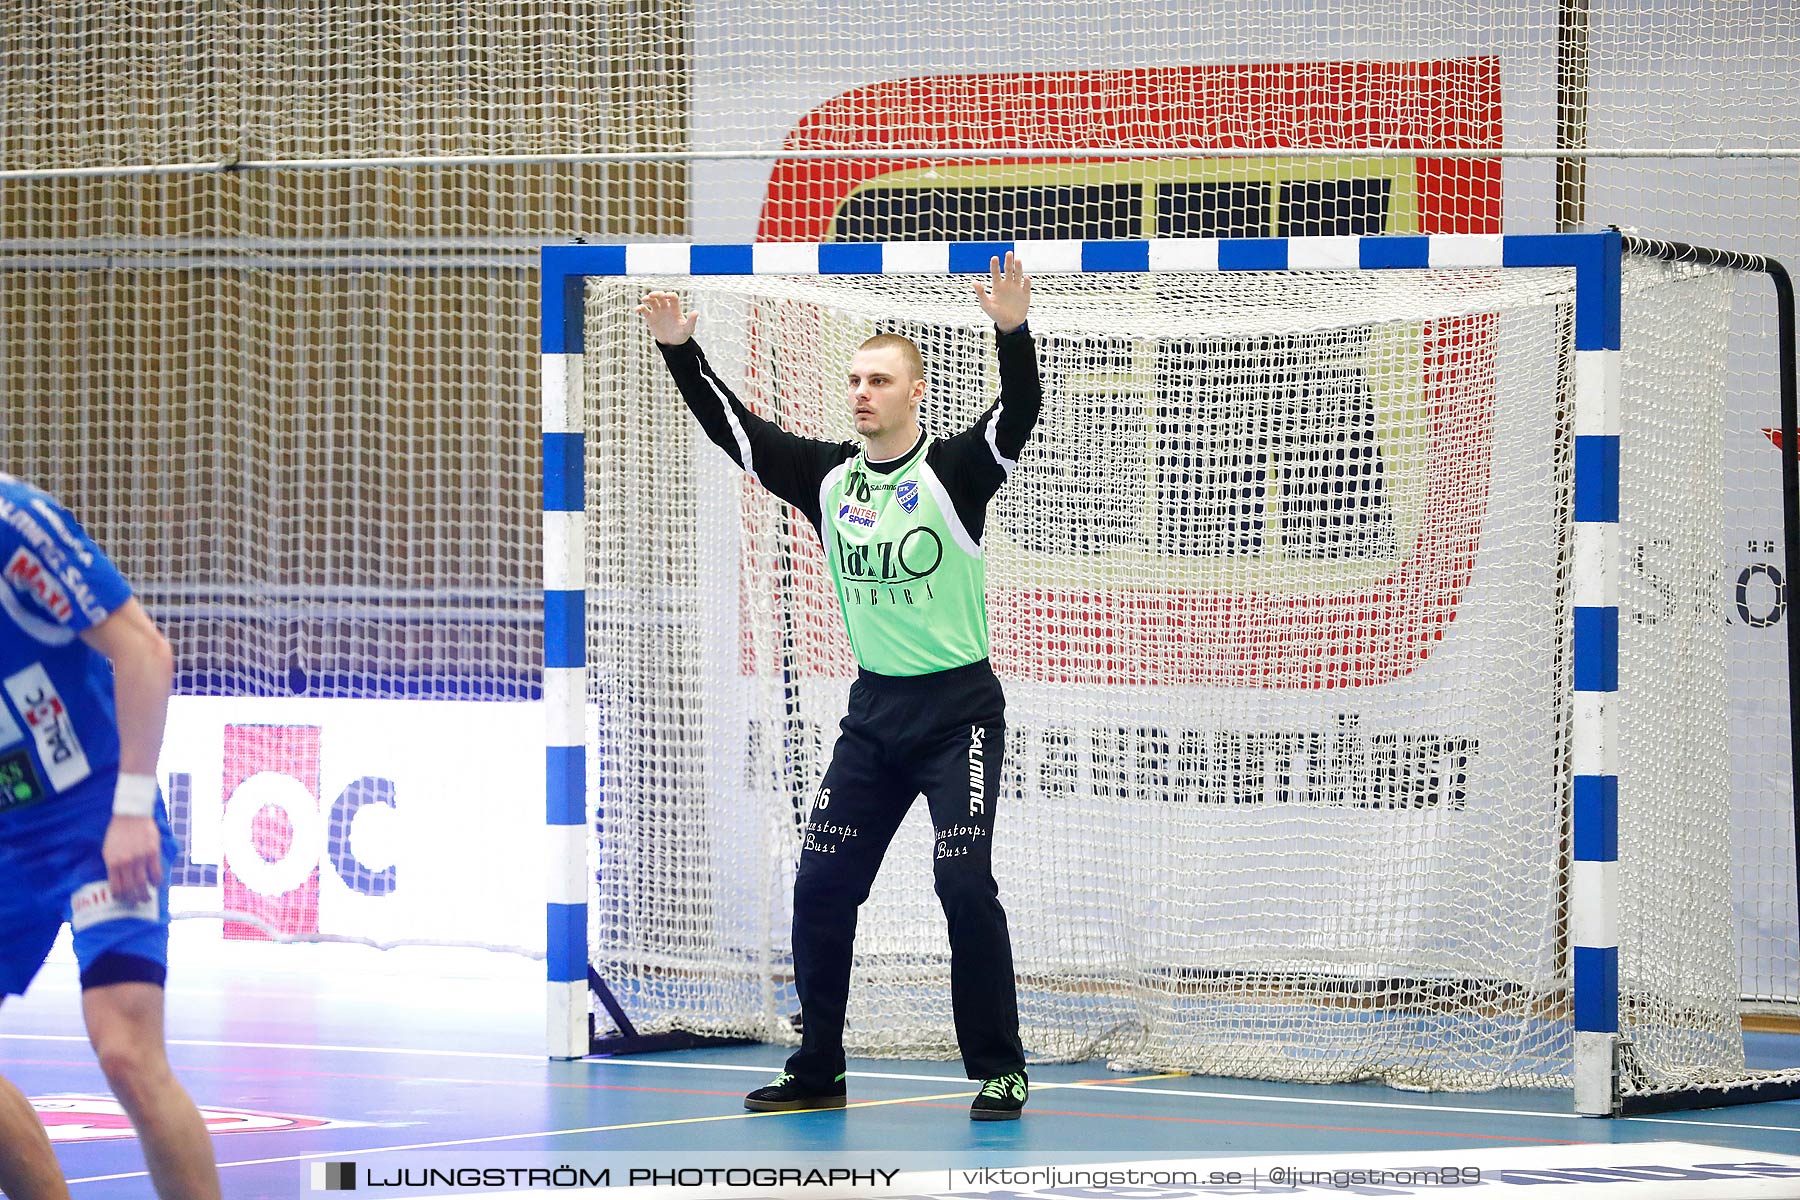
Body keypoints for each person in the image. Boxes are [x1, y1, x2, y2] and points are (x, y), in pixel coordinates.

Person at [638, 252, 1039, 1121]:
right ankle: (818, 1065)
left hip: (959, 713)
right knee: (820, 883)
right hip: (875, 716)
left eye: (880, 380)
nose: (861, 392)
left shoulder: (957, 474)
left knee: (962, 882)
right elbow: (736, 431)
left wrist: (1012, 331)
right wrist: (680, 351)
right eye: (854, 378)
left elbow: (1020, 411)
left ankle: (1000, 1066)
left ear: (916, 393)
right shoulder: (829, 480)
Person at [0, 473, 221, 1200]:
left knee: (126, 1052)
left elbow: (144, 651)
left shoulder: (16, 524)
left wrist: (130, 809)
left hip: (94, 817)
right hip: (7, 840)